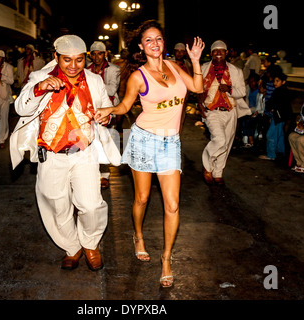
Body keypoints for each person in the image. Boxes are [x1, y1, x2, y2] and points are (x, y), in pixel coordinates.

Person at [95, 20, 205, 287]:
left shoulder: (175, 67)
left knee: (173, 205)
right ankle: (138, 235)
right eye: (149, 40)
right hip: (144, 140)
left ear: (162, 43)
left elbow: (198, 89)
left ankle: (166, 258)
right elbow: (124, 106)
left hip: (171, 144)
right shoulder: (137, 76)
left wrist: (195, 61)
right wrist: (108, 111)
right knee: (142, 198)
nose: (155, 43)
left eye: (158, 39)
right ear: (141, 47)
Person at [9, 35, 119, 272]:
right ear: (56, 57)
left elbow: (107, 108)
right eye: (67, 59)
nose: (73, 65)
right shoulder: (40, 77)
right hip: (50, 153)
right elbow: (20, 107)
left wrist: (107, 115)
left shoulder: (94, 80)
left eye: (79, 60)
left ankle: (90, 244)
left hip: (83, 152)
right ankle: (72, 246)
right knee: (56, 204)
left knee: (90, 205)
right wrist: (39, 89)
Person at [198, 40, 251, 185]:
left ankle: (218, 173)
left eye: (222, 50)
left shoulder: (236, 71)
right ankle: (207, 166)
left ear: (226, 53)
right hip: (212, 111)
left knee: (226, 144)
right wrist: (199, 104)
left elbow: (242, 92)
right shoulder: (203, 68)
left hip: (230, 110)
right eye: (216, 51)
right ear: (211, 53)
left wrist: (230, 89)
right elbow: (197, 88)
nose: (218, 53)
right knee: (219, 139)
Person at [87, 41, 121, 189]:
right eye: (93, 54)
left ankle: (105, 174)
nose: (96, 57)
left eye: (99, 53)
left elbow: (112, 90)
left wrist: (94, 84)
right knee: (93, 141)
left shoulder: (114, 69)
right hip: (91, 109)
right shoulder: (86, 69)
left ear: (105, 54)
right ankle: (93, 173)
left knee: (106, 140)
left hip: (109, 109)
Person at [259, 72, 292, 161]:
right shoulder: (282, 90)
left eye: (277, 81)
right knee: (279, 135)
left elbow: (272, 104)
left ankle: (271, 154)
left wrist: (270, 112)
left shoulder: (280, 91)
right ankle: (280, 152)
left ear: (283, 82)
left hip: (278, 117)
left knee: (271, 135)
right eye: (274, 81)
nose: (275, 83)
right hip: (280, 117)